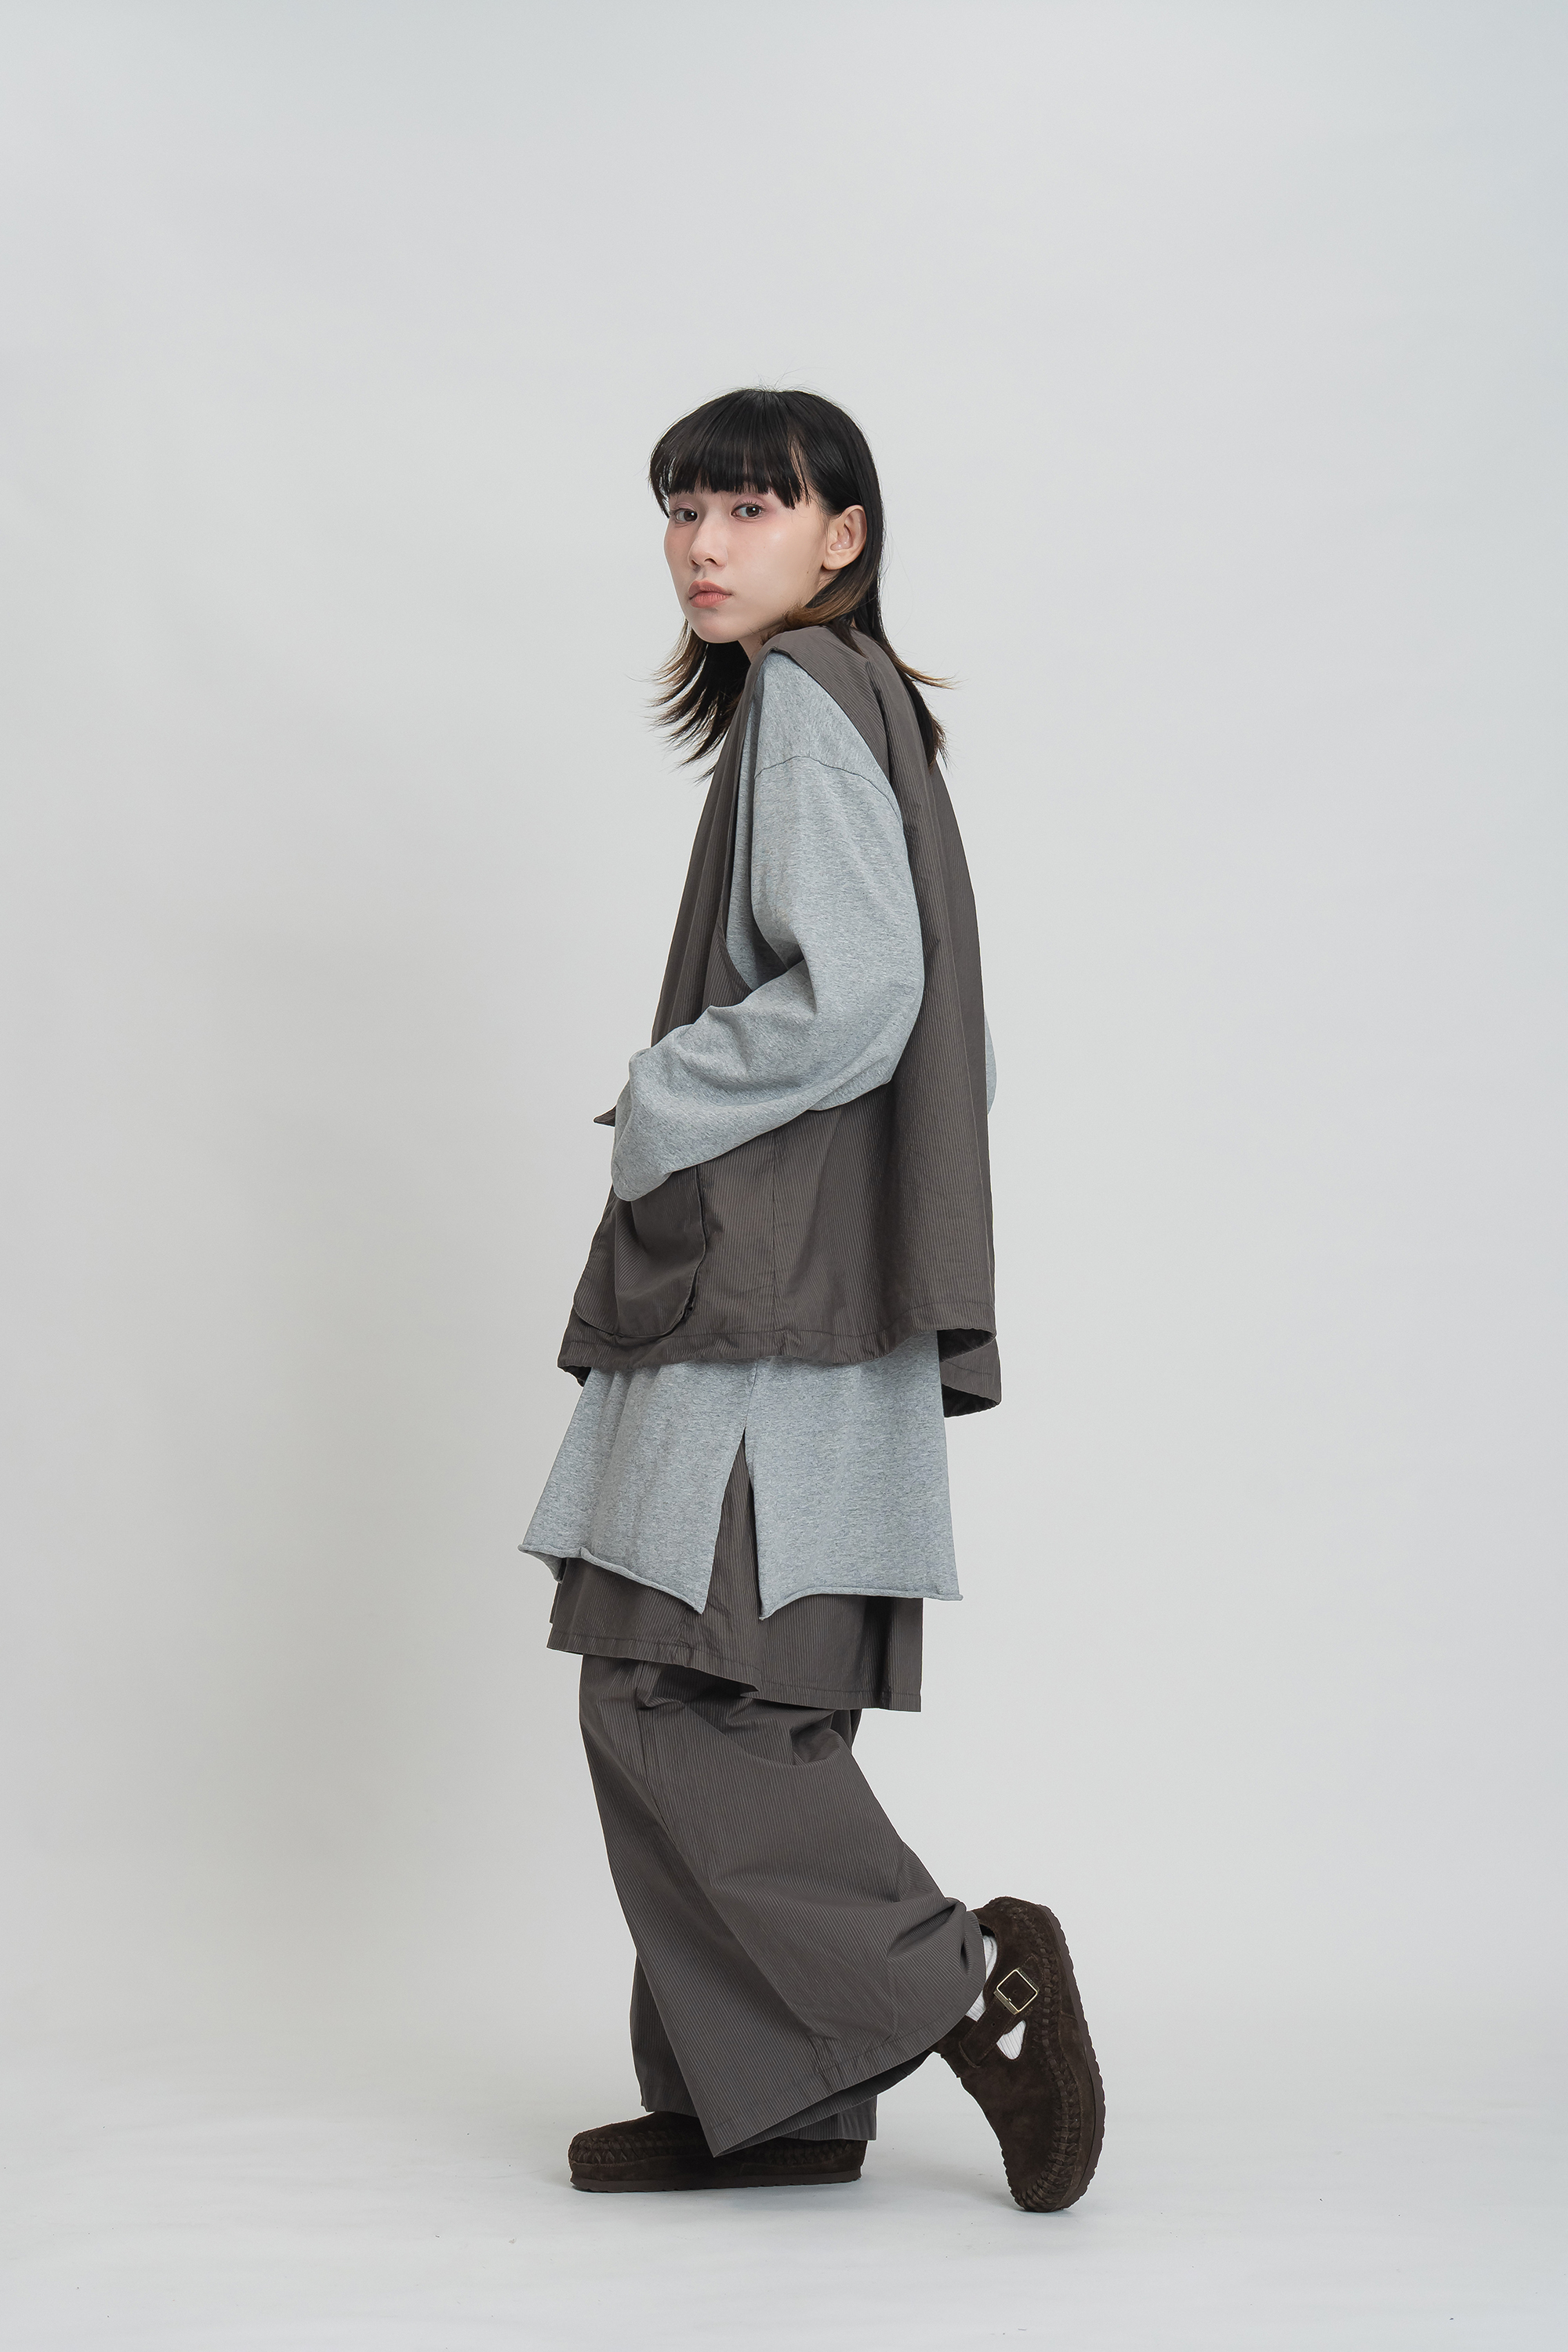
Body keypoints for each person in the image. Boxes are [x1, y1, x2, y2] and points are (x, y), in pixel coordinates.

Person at [522, 388, 1103, 2209]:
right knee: (744, 1693)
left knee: (676, 1692)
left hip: (761, 1302)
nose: (702, 545)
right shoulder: (861, 708)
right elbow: (942, 1029)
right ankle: (773, 2103)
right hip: (805, 1294)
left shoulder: (801, 696)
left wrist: (667, 1092)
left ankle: (969, 1984)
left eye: (749, 508)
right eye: (682, 509)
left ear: (841, 534)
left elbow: (863, 996)